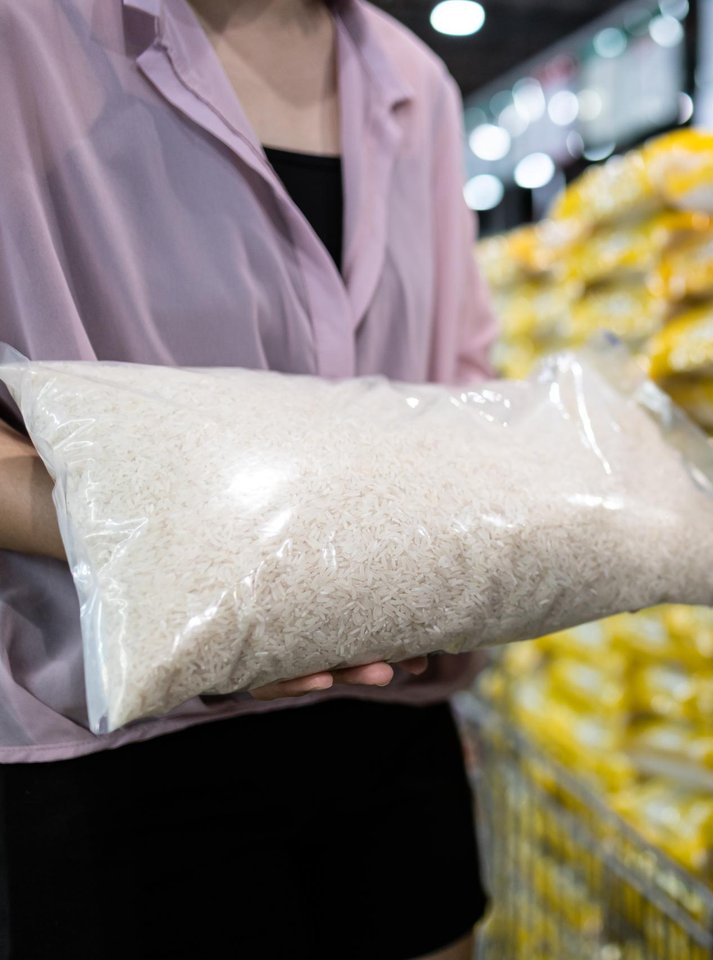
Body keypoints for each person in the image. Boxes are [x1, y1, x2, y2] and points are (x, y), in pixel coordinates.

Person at [0, 0, 496, 957]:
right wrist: (200, 533)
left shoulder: (411, 79)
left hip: (386, 711)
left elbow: (462, 371)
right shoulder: (27, 34)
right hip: (104, 739)